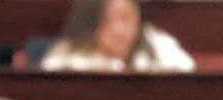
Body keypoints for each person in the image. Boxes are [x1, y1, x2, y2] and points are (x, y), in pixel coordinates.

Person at [41, 0, 195, 72]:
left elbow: (187, 71)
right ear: (91, 24)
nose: (118, 29)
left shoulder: (159, 45)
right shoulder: (69, 54)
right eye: (107, 20)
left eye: (125, 18)